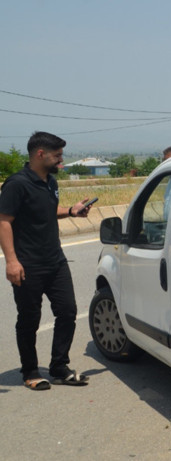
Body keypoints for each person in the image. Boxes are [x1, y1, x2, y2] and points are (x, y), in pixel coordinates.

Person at [0, 131, 94, 390]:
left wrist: (71, 211)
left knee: (67, 311)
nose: (61, 160)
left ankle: (59, 367)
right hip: (27, 264)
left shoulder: (50, 181)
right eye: (57, 155)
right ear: (40, 154)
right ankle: (30, 370)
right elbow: (4, 221)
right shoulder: (16, 183)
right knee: (29, 318)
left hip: (56, 260)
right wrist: (11, 261)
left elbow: (47, 210)